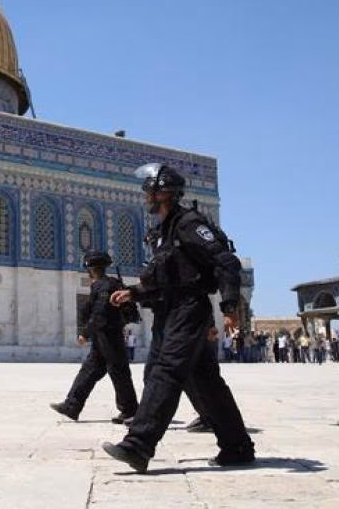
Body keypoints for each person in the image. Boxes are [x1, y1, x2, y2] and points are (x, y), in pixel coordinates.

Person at [102, 163, 254, 473]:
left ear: (163, 193)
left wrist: (229, 307)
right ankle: (237, 446)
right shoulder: (165, 230)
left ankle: (138, 445)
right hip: (169, 311)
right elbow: (163, 278)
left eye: (149, 191)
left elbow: (226, 261)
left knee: (165, 372)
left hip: (189, 310)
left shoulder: (189, 223)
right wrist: (134, 293)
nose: (145, 196)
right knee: (207, 383)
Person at [51, 252, 138, 424]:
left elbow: (99, 314)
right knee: (90, 370)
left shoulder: (102, 286)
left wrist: (85, 333)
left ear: (91, 269)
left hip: (108, 334)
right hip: (104, 335)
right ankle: (72, 406)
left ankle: (130, 411)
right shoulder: (110, 284)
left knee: (118, 370)